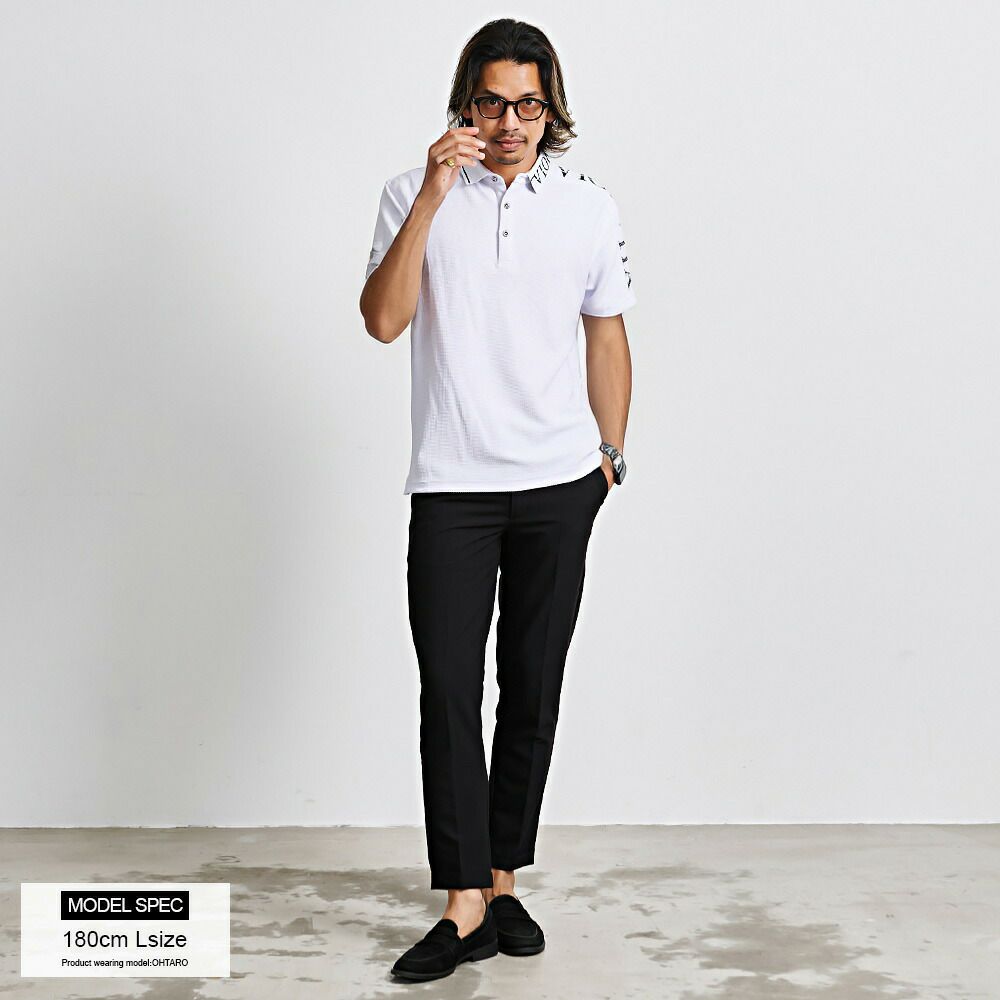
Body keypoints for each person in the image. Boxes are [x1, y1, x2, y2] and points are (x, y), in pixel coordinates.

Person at [359, 17, 635, 983]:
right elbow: (383, 321)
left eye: (527, 104)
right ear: (465, 105)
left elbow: (607, 333)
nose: (509, 122)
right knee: (448, 689)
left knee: (532, 684)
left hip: (559, 484)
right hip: (454, 484)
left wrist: (609, 459)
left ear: (550, 109)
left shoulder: (588, 206)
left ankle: (502, 880)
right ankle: (463, 895)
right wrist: (433, 197)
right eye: (491, 103)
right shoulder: (410, 193)